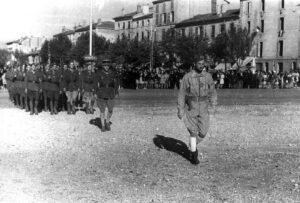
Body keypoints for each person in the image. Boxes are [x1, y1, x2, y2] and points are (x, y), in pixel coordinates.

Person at [177, 60, 217, 165]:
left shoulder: (208, 76)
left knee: (203, 132)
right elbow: (181, 94)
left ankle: (192, 144)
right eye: (199, 63)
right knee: (193, 131)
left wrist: (214, 103)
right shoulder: (187, 77)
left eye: (203, 63)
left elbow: (212, 90)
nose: (201, 65)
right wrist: (180, 109)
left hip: (204, 107)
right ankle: (194, 155)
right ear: (194, 63)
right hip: (191, 107)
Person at [96, 59, 119, 132]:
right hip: (102, 93)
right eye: (105, 65)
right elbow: (96, 84)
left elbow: (116, 83)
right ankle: (103, 126)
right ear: (103, 66)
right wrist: (96, 92)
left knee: (110, 110)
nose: (106, 67)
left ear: (109, 66)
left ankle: (107, 122)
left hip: (110, 92)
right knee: (102, 111)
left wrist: (116, 92)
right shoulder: (99, 73)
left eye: (107, 65)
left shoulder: (113, 73)